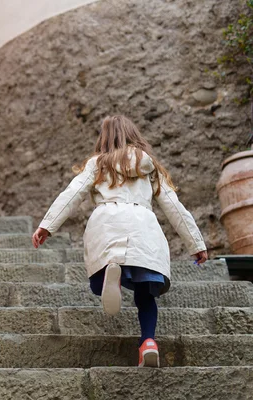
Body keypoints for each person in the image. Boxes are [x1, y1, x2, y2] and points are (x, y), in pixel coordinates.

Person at [32, 115, 208, 368]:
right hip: (143, 226)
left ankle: (111, 274)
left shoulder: (97, 164)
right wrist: (196, 243)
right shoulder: (150, 166)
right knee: (145, 293)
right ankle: (148, 342)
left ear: (104, 138)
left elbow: (72, 194)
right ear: (133, 135)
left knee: (101, 282)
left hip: (107, 223)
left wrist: (47, 226)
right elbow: (174, 207)